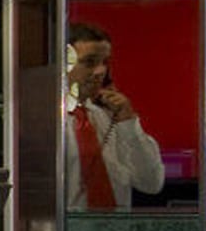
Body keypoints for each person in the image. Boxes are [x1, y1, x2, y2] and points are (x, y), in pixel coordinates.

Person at [64, 22, 166, 210]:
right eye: (89, 62)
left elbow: (152, 183)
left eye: (104, 62)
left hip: (116, 228)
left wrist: (128, 121)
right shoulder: (46, 121)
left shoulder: (107, 118)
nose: (100, 71)